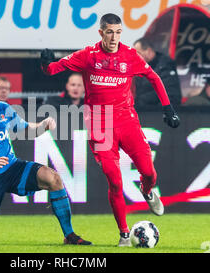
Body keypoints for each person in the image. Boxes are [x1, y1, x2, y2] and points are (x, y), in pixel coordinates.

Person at [40, 13, 180, 247]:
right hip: (98, 125)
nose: (114, 37)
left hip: (127, 120)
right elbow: (53, 70)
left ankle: (147, 191)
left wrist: (168, 108)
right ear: (101, 33)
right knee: (114, 181)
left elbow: (154, 77)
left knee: (149, 173)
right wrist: (45, 63)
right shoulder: (87, 55)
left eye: (118, 32)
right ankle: (124, 234)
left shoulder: (130, 55)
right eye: (109, 32)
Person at [0, 66, 91, 245]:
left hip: (11, 168)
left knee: (53, 178)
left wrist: (43, 125)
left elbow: (25, 129)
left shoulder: (3, 107)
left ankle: (69, 235)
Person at [133, 37, 182, 107]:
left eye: (138, 53)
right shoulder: (141, 67)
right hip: (143, 110)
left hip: (159, 112)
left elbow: (170, 93)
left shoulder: (165, 65)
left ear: (149, 51)